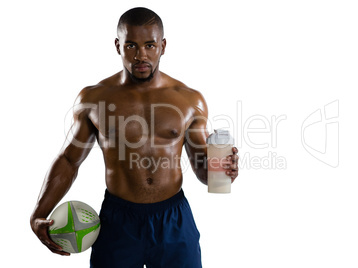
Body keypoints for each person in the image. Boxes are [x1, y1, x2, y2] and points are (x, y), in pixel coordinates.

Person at [30, 7, 239, 268]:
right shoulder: (94, 99)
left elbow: (204, 173)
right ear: (118, 46)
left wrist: (223, 171)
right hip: (118, 221)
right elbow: (69, 160)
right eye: (131, 46)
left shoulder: (189, 101)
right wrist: (38, 214)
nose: (141, 55)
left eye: (150, 45)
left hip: (173, 219)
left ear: (163, 46)